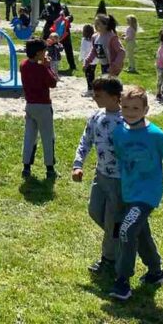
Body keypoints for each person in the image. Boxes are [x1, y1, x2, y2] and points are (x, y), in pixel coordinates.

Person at [108, 86, 163, 302]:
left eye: (135, 108)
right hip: (128, 192)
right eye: (125, 107)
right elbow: (121, 161)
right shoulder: (119, 133)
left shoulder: (155, 135)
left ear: (146, 110)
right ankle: (156, 272)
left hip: (147, 194)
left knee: (126, 230)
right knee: (140, 232)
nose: (130, 112)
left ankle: (122, 281)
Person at [71, 75, 124, 275]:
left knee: (112, 220)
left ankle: (108, 259)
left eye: (99, 95)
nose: (94, 97)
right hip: (100, 176)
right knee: (95, 211)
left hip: (119, 180)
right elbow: (85, 141)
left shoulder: (127, 120)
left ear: (115, 97)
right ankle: (120, 237)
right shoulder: (96, 116)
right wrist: (78, 164)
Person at [20, 38, 59, 179]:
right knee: (48, 137)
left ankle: (26, 167)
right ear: (38, 53)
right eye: (44, 51)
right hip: (43, 106)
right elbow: (53, 83)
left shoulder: (23, 65)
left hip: (30, 105)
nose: (45, 53)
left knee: (29, 137)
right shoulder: (42, 69)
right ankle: (50, 169)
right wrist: (47, 67)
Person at [83, 14, 125, 94]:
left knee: (108, 84)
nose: (95, 25)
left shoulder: (111, 37)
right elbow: (94, 50)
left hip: (113, 64)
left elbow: (121, 52)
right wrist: (87, 61)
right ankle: (115, 95)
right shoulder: (95, 36)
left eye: (98, 23)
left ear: (106, 25)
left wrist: (115, 64)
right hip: (104, 64)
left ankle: (117, 95)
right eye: (95, 23)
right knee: (108, 84)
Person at [42, 0, 77, 73]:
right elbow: (46, 16)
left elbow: (70, 16)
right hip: (50, 31)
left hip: (63, 31)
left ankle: (72, 66)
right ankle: (42, 64)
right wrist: (59, 16)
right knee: (45, 47)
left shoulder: (63, 6)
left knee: (68, 48)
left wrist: (69, 18)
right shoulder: (47, 6)